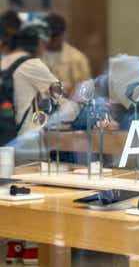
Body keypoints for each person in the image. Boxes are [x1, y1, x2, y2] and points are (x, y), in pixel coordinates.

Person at [1, 22, 79, 265]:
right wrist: (77, 108)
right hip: (28, 142)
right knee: (33, 198)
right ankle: (33, 251)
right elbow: (60, 94)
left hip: (5, 142)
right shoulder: (32, 64)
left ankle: (14, 249)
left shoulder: (3, 61)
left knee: (10, 197)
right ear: (40, 44)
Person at [42, 13, 92, 97]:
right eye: (50, 36)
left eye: (56, 36)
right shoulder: (34, 57)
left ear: (63, 34)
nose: (52, 40)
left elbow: (86, 90)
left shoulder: (77, 58)